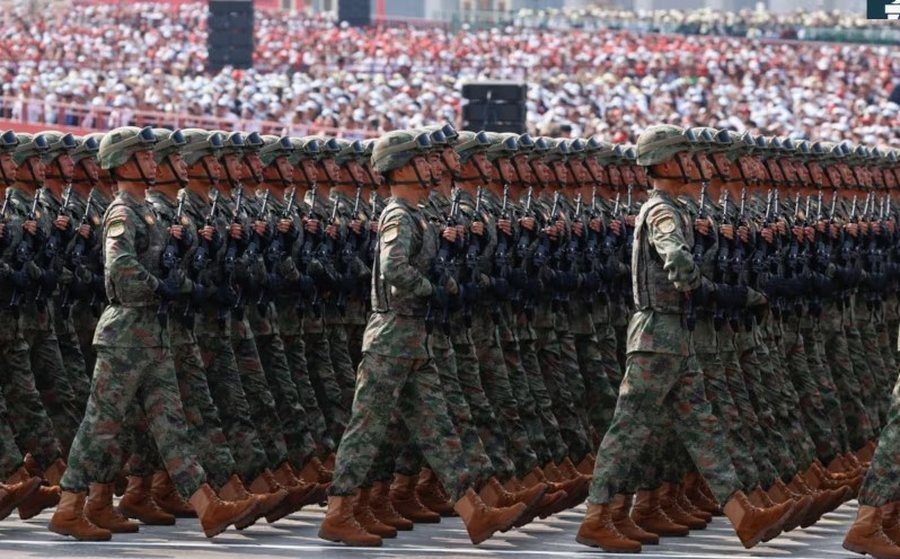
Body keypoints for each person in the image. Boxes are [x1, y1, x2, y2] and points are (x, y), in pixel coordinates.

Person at [575, 124, 794, 553]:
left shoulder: (674, 207)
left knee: (703, 427)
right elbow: (675, 258)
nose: (692, 163)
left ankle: (742, 514)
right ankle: (597, 516)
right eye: (684, 155)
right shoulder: (662, 211)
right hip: (658, 334)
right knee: (628, 431)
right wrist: (707, 290)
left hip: (675, 335)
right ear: (665, 162)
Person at [47, 126, 257, 541]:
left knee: (171, 424)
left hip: (153, 332)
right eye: (143, 156)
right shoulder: (122, 212)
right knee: (101, 424)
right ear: (123, 163)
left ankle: (207, 506)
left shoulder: (146, 211)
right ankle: (69, 507)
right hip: (126, 334)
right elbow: (121, 268)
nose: (153, 161)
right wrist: (161, 287)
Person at [318, 129, 525, 547]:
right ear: (400, 169)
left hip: (414, 337)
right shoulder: (399, 215)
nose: (430, 166)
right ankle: (339, 512)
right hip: (392, 335)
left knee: (439, 428)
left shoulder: (416, 214)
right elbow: (393, 268)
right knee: (367, 429)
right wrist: (432, 288)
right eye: (420, 161)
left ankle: (475, 512)